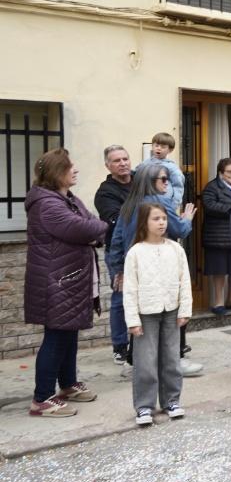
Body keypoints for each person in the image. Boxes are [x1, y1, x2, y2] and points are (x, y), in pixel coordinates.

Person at [25, 149, 108, 417]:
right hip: (57, 280)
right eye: (70, 166)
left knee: (68, 332)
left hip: (68, 278)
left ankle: (68, 385)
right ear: (56, 172)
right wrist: (94, 229)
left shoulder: (67, 198)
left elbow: (91, 224)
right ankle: (42, 399)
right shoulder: (47, 204)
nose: (75, 170)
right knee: (57, 336)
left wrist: (94, 229)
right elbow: (86, 227)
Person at [107, 163, 202, 377]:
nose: (167, 184)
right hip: (160, 266)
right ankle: (175, 360)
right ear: (150, 182)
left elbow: (117, 240)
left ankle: (134, 363)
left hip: (136, 269)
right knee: (172, 312)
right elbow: (178, 230)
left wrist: (118, 270)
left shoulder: (129, 204)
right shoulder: (160, 203)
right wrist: (187, 219)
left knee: (142, 317)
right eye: (163, 179)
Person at [122, 202, 192, 426]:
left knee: (172, 358)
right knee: (146, 361)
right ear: (144, 222)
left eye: (164, 218)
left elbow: (185, 281)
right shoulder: (135, 252)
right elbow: (130, 289)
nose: (161, 222)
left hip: (171, 311)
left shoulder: (176, 248)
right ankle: (144, 406)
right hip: (146, 313)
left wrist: (185, 310)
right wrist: (132, 320)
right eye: (156, 219)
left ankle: (171, 400)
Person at [94, 144, 133, 364]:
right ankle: (120, 345)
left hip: (146, 248)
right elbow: (118, 220)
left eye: (125, 159)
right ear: (108, 165)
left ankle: (141, 342)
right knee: (120, 297)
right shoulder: (105, 192)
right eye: (117, 161)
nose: (123, 163)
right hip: (119, 251)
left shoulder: (139, 181)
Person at [201, 158, 231, 315]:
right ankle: (218, 303)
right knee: (219, 271)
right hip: (217, 237)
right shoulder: (212, 187)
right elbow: (211, 206)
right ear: (221, 173)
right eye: (230, 172)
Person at [138, 132, 185, 211]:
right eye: (156, 145)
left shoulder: (172, 167)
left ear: (170, 150)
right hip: (147, 203)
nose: (158, 148)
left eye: (163, 147)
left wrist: (173, 206)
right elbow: (136, 173)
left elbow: (178, 187)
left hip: (165, 204)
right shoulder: (146, 163)